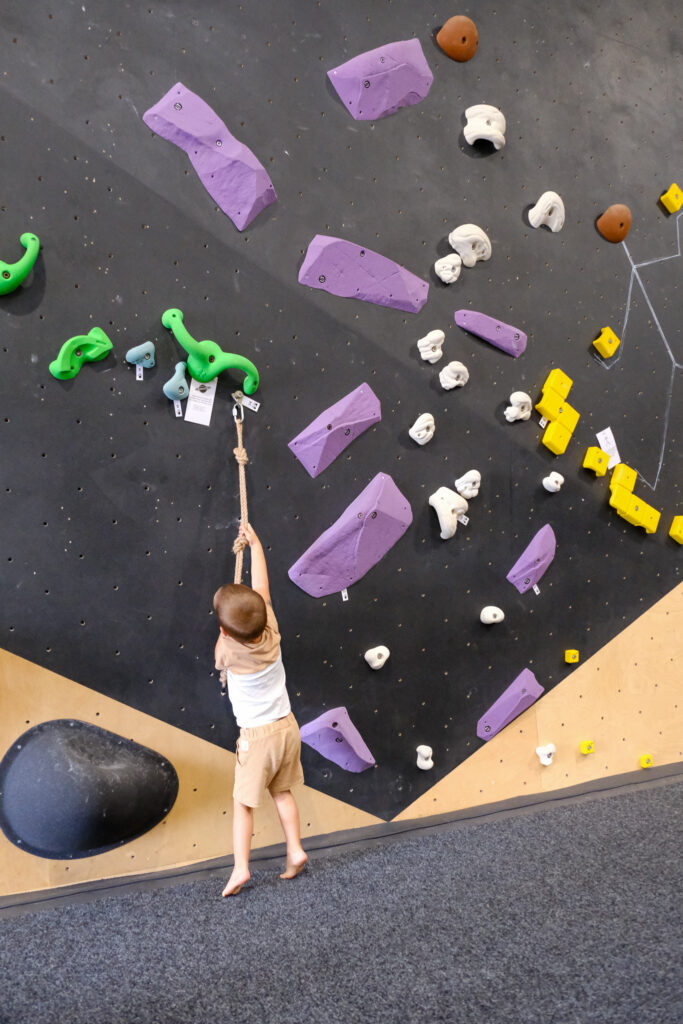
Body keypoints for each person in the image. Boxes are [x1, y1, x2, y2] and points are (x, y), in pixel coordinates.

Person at [213, 522, 307, 897]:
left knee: (242, 804)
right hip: (287, 728)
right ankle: (295, 849)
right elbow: (261, 589)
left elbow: (222, 647)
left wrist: (224, 631)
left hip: (257, 738)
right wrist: (256, 545)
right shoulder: (272, 630)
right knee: (282, 792)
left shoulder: (227, 652)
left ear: (224, 632)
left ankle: (240, 868)